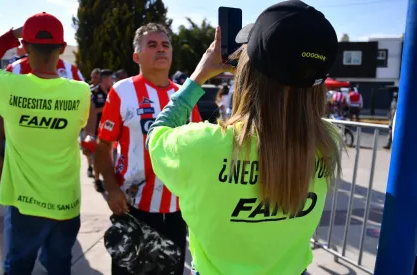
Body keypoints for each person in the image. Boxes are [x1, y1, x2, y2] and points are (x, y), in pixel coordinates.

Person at [146, 1, 341, 274]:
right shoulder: (328, 141)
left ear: (248, 70)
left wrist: (199, 75)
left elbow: (156, 135)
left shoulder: (204, 145)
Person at [0, 12, 90, 275]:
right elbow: (79, 125)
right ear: (62, 48)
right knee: (59, 265)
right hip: (66, 202)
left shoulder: (10, 87)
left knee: (18, 266)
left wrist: (11, 36)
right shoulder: (80, 92)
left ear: (24, 48)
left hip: (25, 203)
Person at [95, 22, 202, 275]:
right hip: (132, 208)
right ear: (136, 56)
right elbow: (103, 145)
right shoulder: (121, 92)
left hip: (175, 211)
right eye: (152, 45)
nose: (161, 50)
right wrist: (111, 188)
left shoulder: (185, 96)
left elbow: (197, 146)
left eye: (165, 45)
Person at [0, 51, 85, 195]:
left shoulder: (70, 71)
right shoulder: (14, 70)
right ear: (26, 46)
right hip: (22, 160)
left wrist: (87, 132)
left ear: (61, 47)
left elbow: (88, 103)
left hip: (58, 161)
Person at [85, 69, 114, 192]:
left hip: (110, 130)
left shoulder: (112, 93)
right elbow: (89, 112)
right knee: (97, 157)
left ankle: (105, 179)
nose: (112, 81)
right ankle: (97, 179)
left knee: (108, 156)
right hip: (96, 129)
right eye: (110, 79)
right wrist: (105, 108)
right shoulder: (94, 93)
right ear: (105, 79)